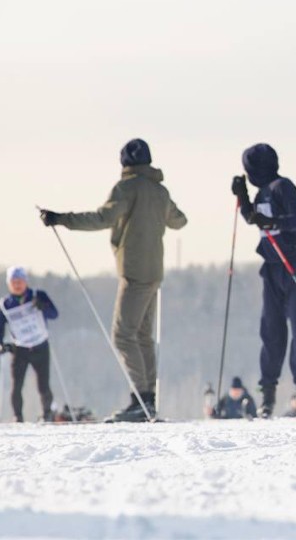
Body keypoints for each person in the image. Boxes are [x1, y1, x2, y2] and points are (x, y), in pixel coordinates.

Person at [38, 139, 187, 422]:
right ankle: (146, 400)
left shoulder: (126, 188)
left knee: (122, 335)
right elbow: (179, 221)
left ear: (125, 164)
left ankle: (141, 401)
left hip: (134, 271)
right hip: (155, 272)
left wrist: (61, 219)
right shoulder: (160, 190)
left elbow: (102, 217)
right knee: (142, 336)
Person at [232, 143, 296, 418]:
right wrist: (243, 196)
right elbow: (253, 218)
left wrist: (274, 222)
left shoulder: (282, 187)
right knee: (272, 332)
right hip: (272, 269)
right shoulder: (261, 193)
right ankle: (267, 396)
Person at [0, 267, 59, 422]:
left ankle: (47, 414)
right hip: (20, 349)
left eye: (19, 281)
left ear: (25, 281)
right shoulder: (5, 304)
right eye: (13, 282)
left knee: (43, 385)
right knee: (17, 385)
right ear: (9, 284)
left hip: (40, 345)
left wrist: (43, 306)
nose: (17, 285)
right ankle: (18, 417)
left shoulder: (37, 295)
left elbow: (54, 314)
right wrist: (2, 345)